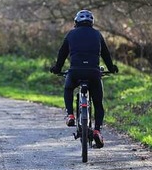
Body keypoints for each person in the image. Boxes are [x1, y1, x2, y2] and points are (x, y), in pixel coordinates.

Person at [49, 9, 118, 148]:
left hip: (75, 72)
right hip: (93, 73)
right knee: (98, 104)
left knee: (68, 89)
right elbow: (105, 55)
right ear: (91, 22)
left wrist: (57, 68)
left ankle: (70, 115)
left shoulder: (71, 34)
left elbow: (62, 54)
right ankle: (97, 130)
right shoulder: (97, 34)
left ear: (76, 22)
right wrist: (111, 68)